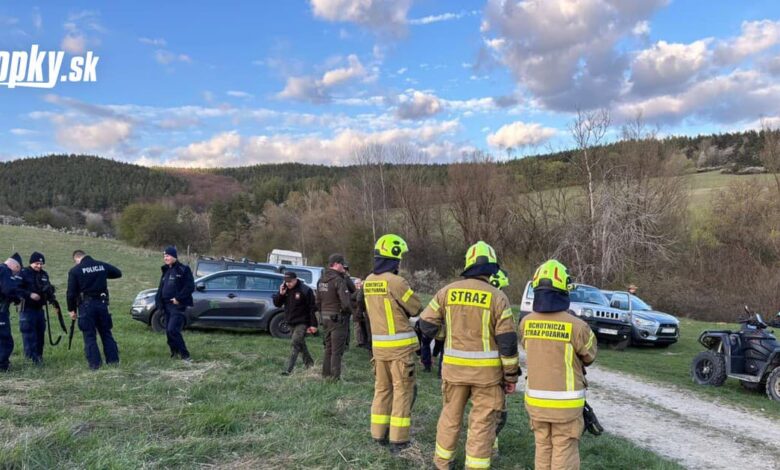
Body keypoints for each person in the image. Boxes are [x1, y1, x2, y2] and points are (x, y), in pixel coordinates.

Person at [419, 241, 519, 470]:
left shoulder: (447, 291)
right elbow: (507, 343)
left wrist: (446, 329)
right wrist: (511, 377)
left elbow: (425, 325)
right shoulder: (498, 297)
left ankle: (442, 464)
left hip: (453, 371)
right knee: (482, 424)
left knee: (450, 418)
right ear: (492, 269)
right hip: (487, 377)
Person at [519, 260, 597, 470]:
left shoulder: (526, 323)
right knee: (564, 449)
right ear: (565, 289)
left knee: (543, 447)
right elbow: (589, 356)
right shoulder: (578, 327)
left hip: (535, 401)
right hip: (566, 405)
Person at [363, 234, 422, 454]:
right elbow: (415, 307)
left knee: (381, 390)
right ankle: (399, 441)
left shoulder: (369, 281)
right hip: (400, 350)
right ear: (394, 257)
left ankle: (377, 435)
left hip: (379, 349)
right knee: (402, 392)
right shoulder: (396, 282)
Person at [67, 250, 122, 370]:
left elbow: (70, 293)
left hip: (86, 306)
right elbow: (118, 273)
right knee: (106, 333)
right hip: (102, 304)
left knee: (89, 335)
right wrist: (102, 274)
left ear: (76, 259)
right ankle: (113, 362)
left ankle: (95, 365)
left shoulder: (75, 270)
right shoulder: (101, 265)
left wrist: (71, 310)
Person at [154, 246, 195, 362]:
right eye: (164, 256)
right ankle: (174, 353)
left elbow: (190, 287)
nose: (165, 258)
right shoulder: (166, 270)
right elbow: (160, 288)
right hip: (165, 306)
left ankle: (185, 356)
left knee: (173, 330)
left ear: (174, 256)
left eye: (167, 255)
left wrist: (178, 298)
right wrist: (158, 302)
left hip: (177, 305)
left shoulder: (183, 269)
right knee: (168, 331)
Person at [316, 253, 353, 380]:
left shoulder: (321, 280)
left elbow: (318, 301)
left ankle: (325, 374)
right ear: (336, 264)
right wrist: (349, 311)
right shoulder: (338, 280)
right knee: (337, 351)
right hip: (338, 318)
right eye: (342, 264)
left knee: (328, 348)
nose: (343, 266)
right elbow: (346, 303)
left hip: (325, 317)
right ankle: (335, 378)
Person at [273, 271, 317, 375]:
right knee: (301, 344)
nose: (288, 284)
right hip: (290, 321)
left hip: (302, 322)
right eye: (286, 281)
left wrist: (313, 324)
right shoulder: (285, 289)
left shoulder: (305, 290)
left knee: (295, 343)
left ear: (296, 279)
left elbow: (312, 308)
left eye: (290, 281)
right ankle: (310, 364)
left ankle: (288, 370)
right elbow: (277, 304)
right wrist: (281, 294)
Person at [488, 268, 510, 456]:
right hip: (491, 370)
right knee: (496, 412)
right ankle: (490, 447)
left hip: (460, 370)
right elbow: (506, 341)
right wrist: (511, 373)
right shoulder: (499, 300)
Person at [18, 252, 55, 364]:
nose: (39, 266)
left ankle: (39, 358)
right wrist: (29, 294)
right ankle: (30, 361)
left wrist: (52, 298)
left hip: (39, 310)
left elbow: (48, 289)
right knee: (29, 335)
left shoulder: (44, 274)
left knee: (40, 335)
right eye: (37, 263)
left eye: (41, 263)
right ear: (31, 262)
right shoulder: (23, 273)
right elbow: (16, 289)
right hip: (27, 310)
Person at [0, 253, 26, 371]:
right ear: (16, 266)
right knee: (5, 339)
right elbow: (8, 289)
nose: (16, 274)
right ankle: (2, 366)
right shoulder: (5, 270)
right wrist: (17, 299)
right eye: (17, 271)